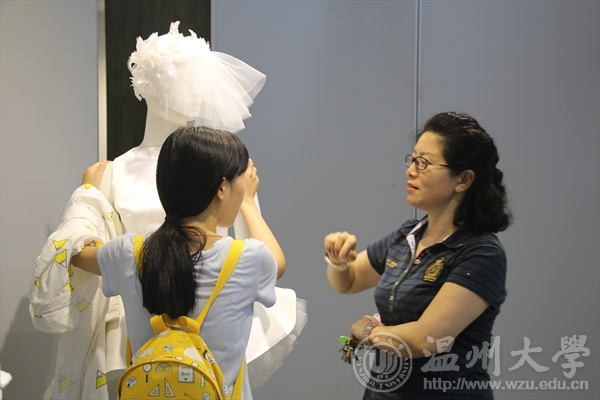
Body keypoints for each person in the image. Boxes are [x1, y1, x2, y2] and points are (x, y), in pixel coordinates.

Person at [29, 22, 305, 399]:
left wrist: (85, 196)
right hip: (141, 316)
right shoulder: (120, 171)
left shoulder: (216, 168)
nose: (196, 91)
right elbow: (268, 258)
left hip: (199, 313)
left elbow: (80, 250)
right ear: (151, 85)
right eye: (185, 81)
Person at [71, 126, 283, 399]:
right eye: (240, 179)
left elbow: (75, 251)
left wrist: (88, 191)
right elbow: (277, 261)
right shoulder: (249, 259)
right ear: (221, 188)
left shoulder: (129, 254)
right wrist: (249, 204)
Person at [324, 111, 511, 399]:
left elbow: (426, 339)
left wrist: (369, 332)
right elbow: (348, 282)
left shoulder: (481, 253)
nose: (411, 171)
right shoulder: (407, 235)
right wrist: (338, 260)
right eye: (412, 160)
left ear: (463, 179)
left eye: (424, 163)